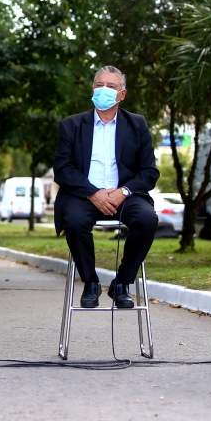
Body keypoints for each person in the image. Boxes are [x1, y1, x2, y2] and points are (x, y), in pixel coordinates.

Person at [53, 65, 159, 309]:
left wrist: (122, 192)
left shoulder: (137, 125)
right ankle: (90, 282)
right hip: (84, 194)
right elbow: (63, 170)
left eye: (111, 86)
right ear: (92, 89)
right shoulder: (71, 125)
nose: (104, 90)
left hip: (124, 194)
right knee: (75, 222)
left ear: (122, 94)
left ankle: (121, 283)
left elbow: (149, 172)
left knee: (146, 219)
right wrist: (93, 193)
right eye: (100, 85)